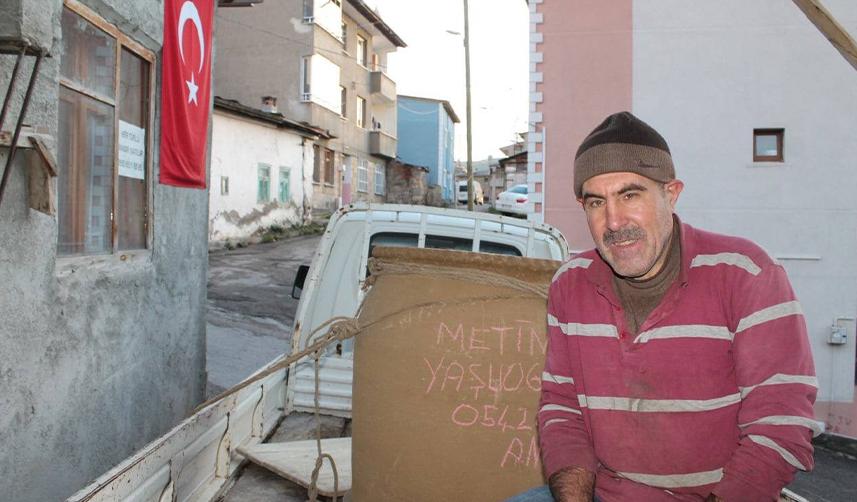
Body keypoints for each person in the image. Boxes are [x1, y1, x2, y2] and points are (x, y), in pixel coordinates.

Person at [524, 112, 818, 501]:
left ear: (671, 193)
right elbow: (562, 409)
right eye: (597, 202)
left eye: (630, 195)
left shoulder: (746, 274)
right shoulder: (570, 283)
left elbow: (781, 423)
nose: (614, 221)